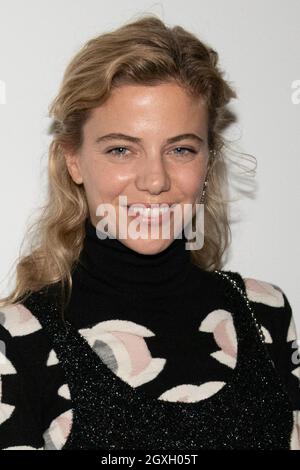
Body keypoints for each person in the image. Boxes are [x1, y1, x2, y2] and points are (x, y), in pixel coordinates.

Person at [0, 14, 299, 450]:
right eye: (121, 149)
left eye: (180, 149)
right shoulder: (17, 341)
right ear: (73, 160)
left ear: (208, 160)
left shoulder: (265, 313)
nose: (155, 180)